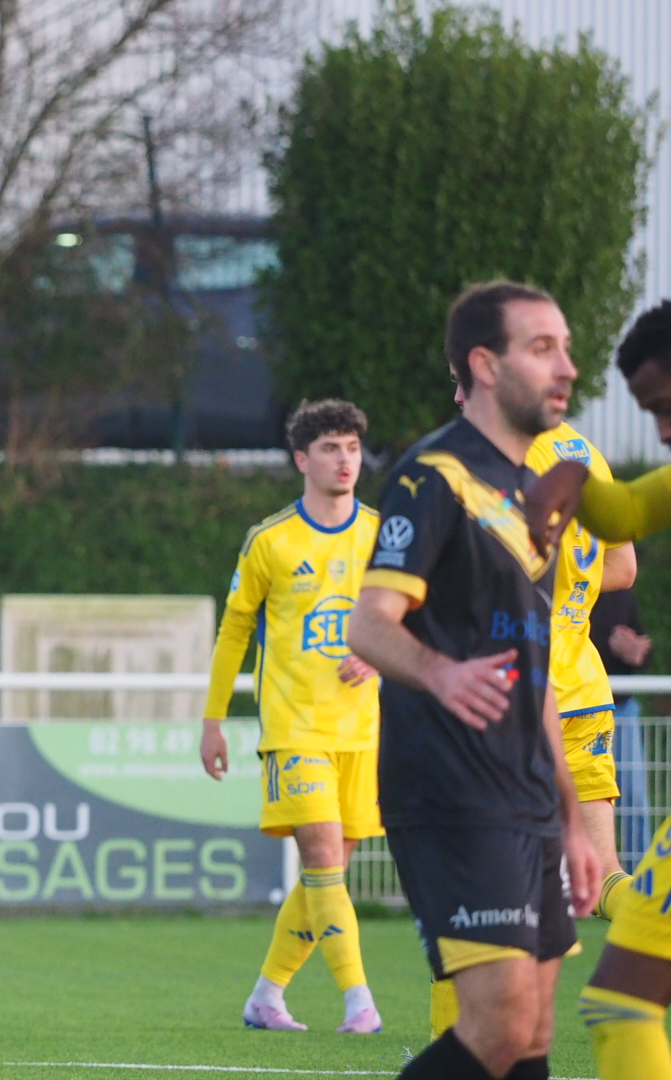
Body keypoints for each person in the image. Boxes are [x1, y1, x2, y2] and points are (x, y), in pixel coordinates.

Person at [345, 280, 596, 1080]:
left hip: (527, 798)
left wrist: (571, 815)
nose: (567, 368)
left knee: (533, 1034)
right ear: (485, 365)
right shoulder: (434, 475)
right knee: (498, 1023)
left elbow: (535, 674)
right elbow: (368, 624)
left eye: (566, 348)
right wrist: (441, 672)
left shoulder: (533, 498)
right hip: (452, 790)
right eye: (543, 348)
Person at [427, 397, 639, 1038]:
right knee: (604, 874)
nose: (459, 398)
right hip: (585, 689)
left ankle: (452, 1049)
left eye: (463, 383)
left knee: (466, 877)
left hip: (516, 695)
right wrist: (568, 591)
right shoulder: (588, 454)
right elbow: (623, 567)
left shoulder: (499, 457)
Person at [192, 399, 383, 1034]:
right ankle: (359, 1002)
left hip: (362, 730)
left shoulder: (383, 534)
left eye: (352, 447)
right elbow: (233, 631)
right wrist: (213, 720)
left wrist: (378, 656)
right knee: (324, 861)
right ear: (302, 459)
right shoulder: (271, 540)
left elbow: (415, 610)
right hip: (294, 728)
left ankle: (266, 995)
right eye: (330, 448)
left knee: (326, 875)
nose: (345, 459)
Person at [523, 297, 671, 1080]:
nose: (662, 433)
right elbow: (628, 522)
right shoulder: (576, 455)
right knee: (618, 1002)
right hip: (576, 686)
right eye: (650, 414)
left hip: (536, 693)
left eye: (666, 406)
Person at [592, 588, 652, 859]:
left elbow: (642, 649)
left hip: (622, 709)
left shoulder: (623, 593)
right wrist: (611, 646)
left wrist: (637, 651)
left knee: (633, 799)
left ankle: (641, 876)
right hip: (582, 709)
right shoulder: (570, 587)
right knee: (583, 797)